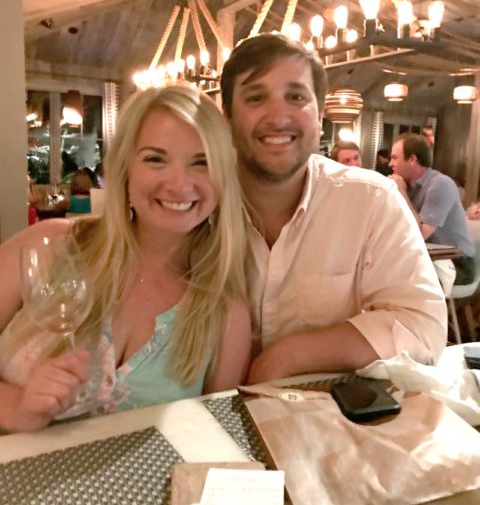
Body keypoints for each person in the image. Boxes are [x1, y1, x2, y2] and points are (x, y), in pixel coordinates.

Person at [0, 84, 251, 432]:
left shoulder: (225, 311)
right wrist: (16, 407)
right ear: (124, 169)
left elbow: (216, 438)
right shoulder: (49, 246)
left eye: (202, 162)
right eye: (155, 159)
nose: (179, 184)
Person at [220, 32, 446, 384]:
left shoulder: (370, 200)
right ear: (227, 117)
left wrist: (287, 356)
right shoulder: (196, 204)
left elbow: (423, 326)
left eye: (296, 97)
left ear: (320, 115)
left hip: (327, 407)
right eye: (255, 97)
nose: (278, 115)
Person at [389, 133, 475, 285]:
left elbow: (419, 235)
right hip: (429, 258)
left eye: (395, 158)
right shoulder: (408, 186)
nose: (390, 164)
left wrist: (401, 193)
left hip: (458, 263)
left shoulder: (440, 184)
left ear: (412, 159)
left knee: (399, 279)